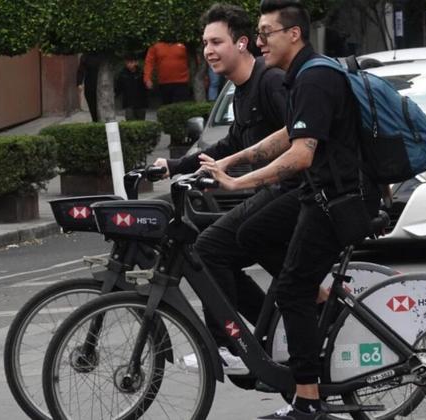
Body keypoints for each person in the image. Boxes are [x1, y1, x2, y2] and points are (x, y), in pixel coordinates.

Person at [199, 1, 380, 418]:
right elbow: (285, 135)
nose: (259, 42)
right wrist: (229, 161)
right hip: (326, 193)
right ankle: (320, 299)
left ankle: (308, 400)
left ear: (293, 34)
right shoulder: (305, 75)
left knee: (291, 290)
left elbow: (300, 155)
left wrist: (239, 181)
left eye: (266, 33)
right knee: (251, 234)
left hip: (338, 199)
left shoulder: (314, 78)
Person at [152, 3, 289, 374]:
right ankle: (273, 336)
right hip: (272, 195)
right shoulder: (241, 89)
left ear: (242, 43)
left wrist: (238, 173)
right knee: (223, 254)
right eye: (205, 43)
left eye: (216, 41)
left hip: (294, 195)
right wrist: (175, 166)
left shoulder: (271, 81)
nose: (208, 50)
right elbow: (228, 144)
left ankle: (229, 346)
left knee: (209, 248)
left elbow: (301, 135)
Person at [116, 56, 148, 120]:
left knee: (141, 121)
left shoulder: (142, 73)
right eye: (128, 62)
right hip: (128, 102)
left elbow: (146, 87)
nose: (130, 64)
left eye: (131, 62)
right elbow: (118, 87)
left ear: (136, 62)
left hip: (141, 102)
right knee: (130, 119)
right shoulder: (122, 74)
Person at [76, 54, 100, 122]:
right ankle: (95, 121)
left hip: (102, 84)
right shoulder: (85, 56)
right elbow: (80, 70)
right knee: (92, 107)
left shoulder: (103, 54)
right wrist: (79, 83)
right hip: (90, 84)